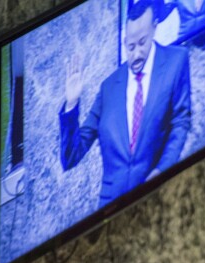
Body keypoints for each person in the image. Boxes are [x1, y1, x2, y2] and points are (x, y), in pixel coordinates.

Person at [59, 0, 191, 206]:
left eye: (142, 43)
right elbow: (71, 157)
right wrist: (71, 104)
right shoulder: (108, 87)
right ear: (124, 42)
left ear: (154, 28)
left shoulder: (177, 61)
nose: (136, 54)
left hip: (158, 198)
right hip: (111, 213)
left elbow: (181, 123)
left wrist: (162, 170)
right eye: (130, 46)